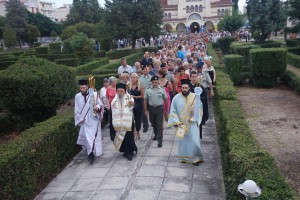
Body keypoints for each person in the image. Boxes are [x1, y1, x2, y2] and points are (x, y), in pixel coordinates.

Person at [168, 79, 203, 166]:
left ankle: (196, 158)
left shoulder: (195, 97)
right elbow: (172, 111)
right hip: (182, 124)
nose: (184, 89)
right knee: (183, 142)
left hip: (192, 123)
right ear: (181, 88)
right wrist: (176, 121)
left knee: (194, 141)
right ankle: (183, 158)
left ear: (189, 88)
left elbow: (199, 108)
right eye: (182, 88)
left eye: (186, 88)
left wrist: (195, 117)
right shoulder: (176, 98)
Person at [75, 78, 104, 164]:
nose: (82, 90)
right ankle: (90, 153)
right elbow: (76, 109)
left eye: (83, 88)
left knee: (92, 137)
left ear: (87, 86)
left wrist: (97, 108)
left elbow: (100, 105)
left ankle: (91, 154)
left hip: (94, 120)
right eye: (80, 88)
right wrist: (80, 118)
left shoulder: (94, 94)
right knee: (88, 138)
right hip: (84, 121)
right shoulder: (77, 96)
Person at [111, 83, 137, 161]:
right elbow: (112, 109)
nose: (119, 93)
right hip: (119, 122)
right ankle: (125, 152)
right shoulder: (115, 100)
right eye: (118, 91)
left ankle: (129, 153)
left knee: (129, 138)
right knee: (122, 139)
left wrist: (132, 104)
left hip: (128, 122)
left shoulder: (129, 97)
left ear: (125, 91)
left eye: (121, 91)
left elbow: (133, 106)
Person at [144, 75, 168, 147]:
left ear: (158, 82)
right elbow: (145, 100)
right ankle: (156, 134)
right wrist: (145, 110)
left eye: (156, 82)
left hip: (159, 109)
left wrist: (166, 110)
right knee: (153, 123)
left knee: (159, 125)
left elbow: (166, 100)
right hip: (151, 109)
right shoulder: (148, 89)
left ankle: (159, 140)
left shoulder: (162, 89)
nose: (154, 84)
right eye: (153, 82)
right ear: (151, 82)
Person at [189, 70, 209, 139]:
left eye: (195, 77)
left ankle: (198, 135)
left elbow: (204, 97)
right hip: (189, 109)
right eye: (193, 77)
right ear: (190, 77)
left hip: (198, 109)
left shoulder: (200, 86)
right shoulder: (187, 86)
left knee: (198, 123)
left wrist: (199, 98)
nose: (194, 78)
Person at [128, 73, 144, 140]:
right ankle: (133, 132)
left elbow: (142, 96)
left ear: (137, 78)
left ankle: (138, 132)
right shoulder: (128, 85)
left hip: (138, 103)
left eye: (134, 78)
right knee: (131, 119)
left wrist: (135, 97)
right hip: (131, 103)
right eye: (131, 77)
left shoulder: (140, 86)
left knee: (138, 119)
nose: (132, 79)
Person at [139, 65, 152, 133]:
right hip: (143, 97)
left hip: (151, 97)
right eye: (144, 70)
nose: (145, 71)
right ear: (142, 71)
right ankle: (145, 126)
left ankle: (152, 122)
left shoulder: (151, 77)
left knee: (152, 111)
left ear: (148, 70)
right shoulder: (140, 79)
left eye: (146, 69)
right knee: (144, 112)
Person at [106, 76, 117, 141]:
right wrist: (108, 105)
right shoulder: (108, 89)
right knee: (112, 120)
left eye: (115, 82)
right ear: (110, 83)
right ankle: (112, 134)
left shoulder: (118, 87)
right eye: (113, 82)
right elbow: (107, 97)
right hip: (111, 105)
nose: (114, 83)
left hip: (117, 105)